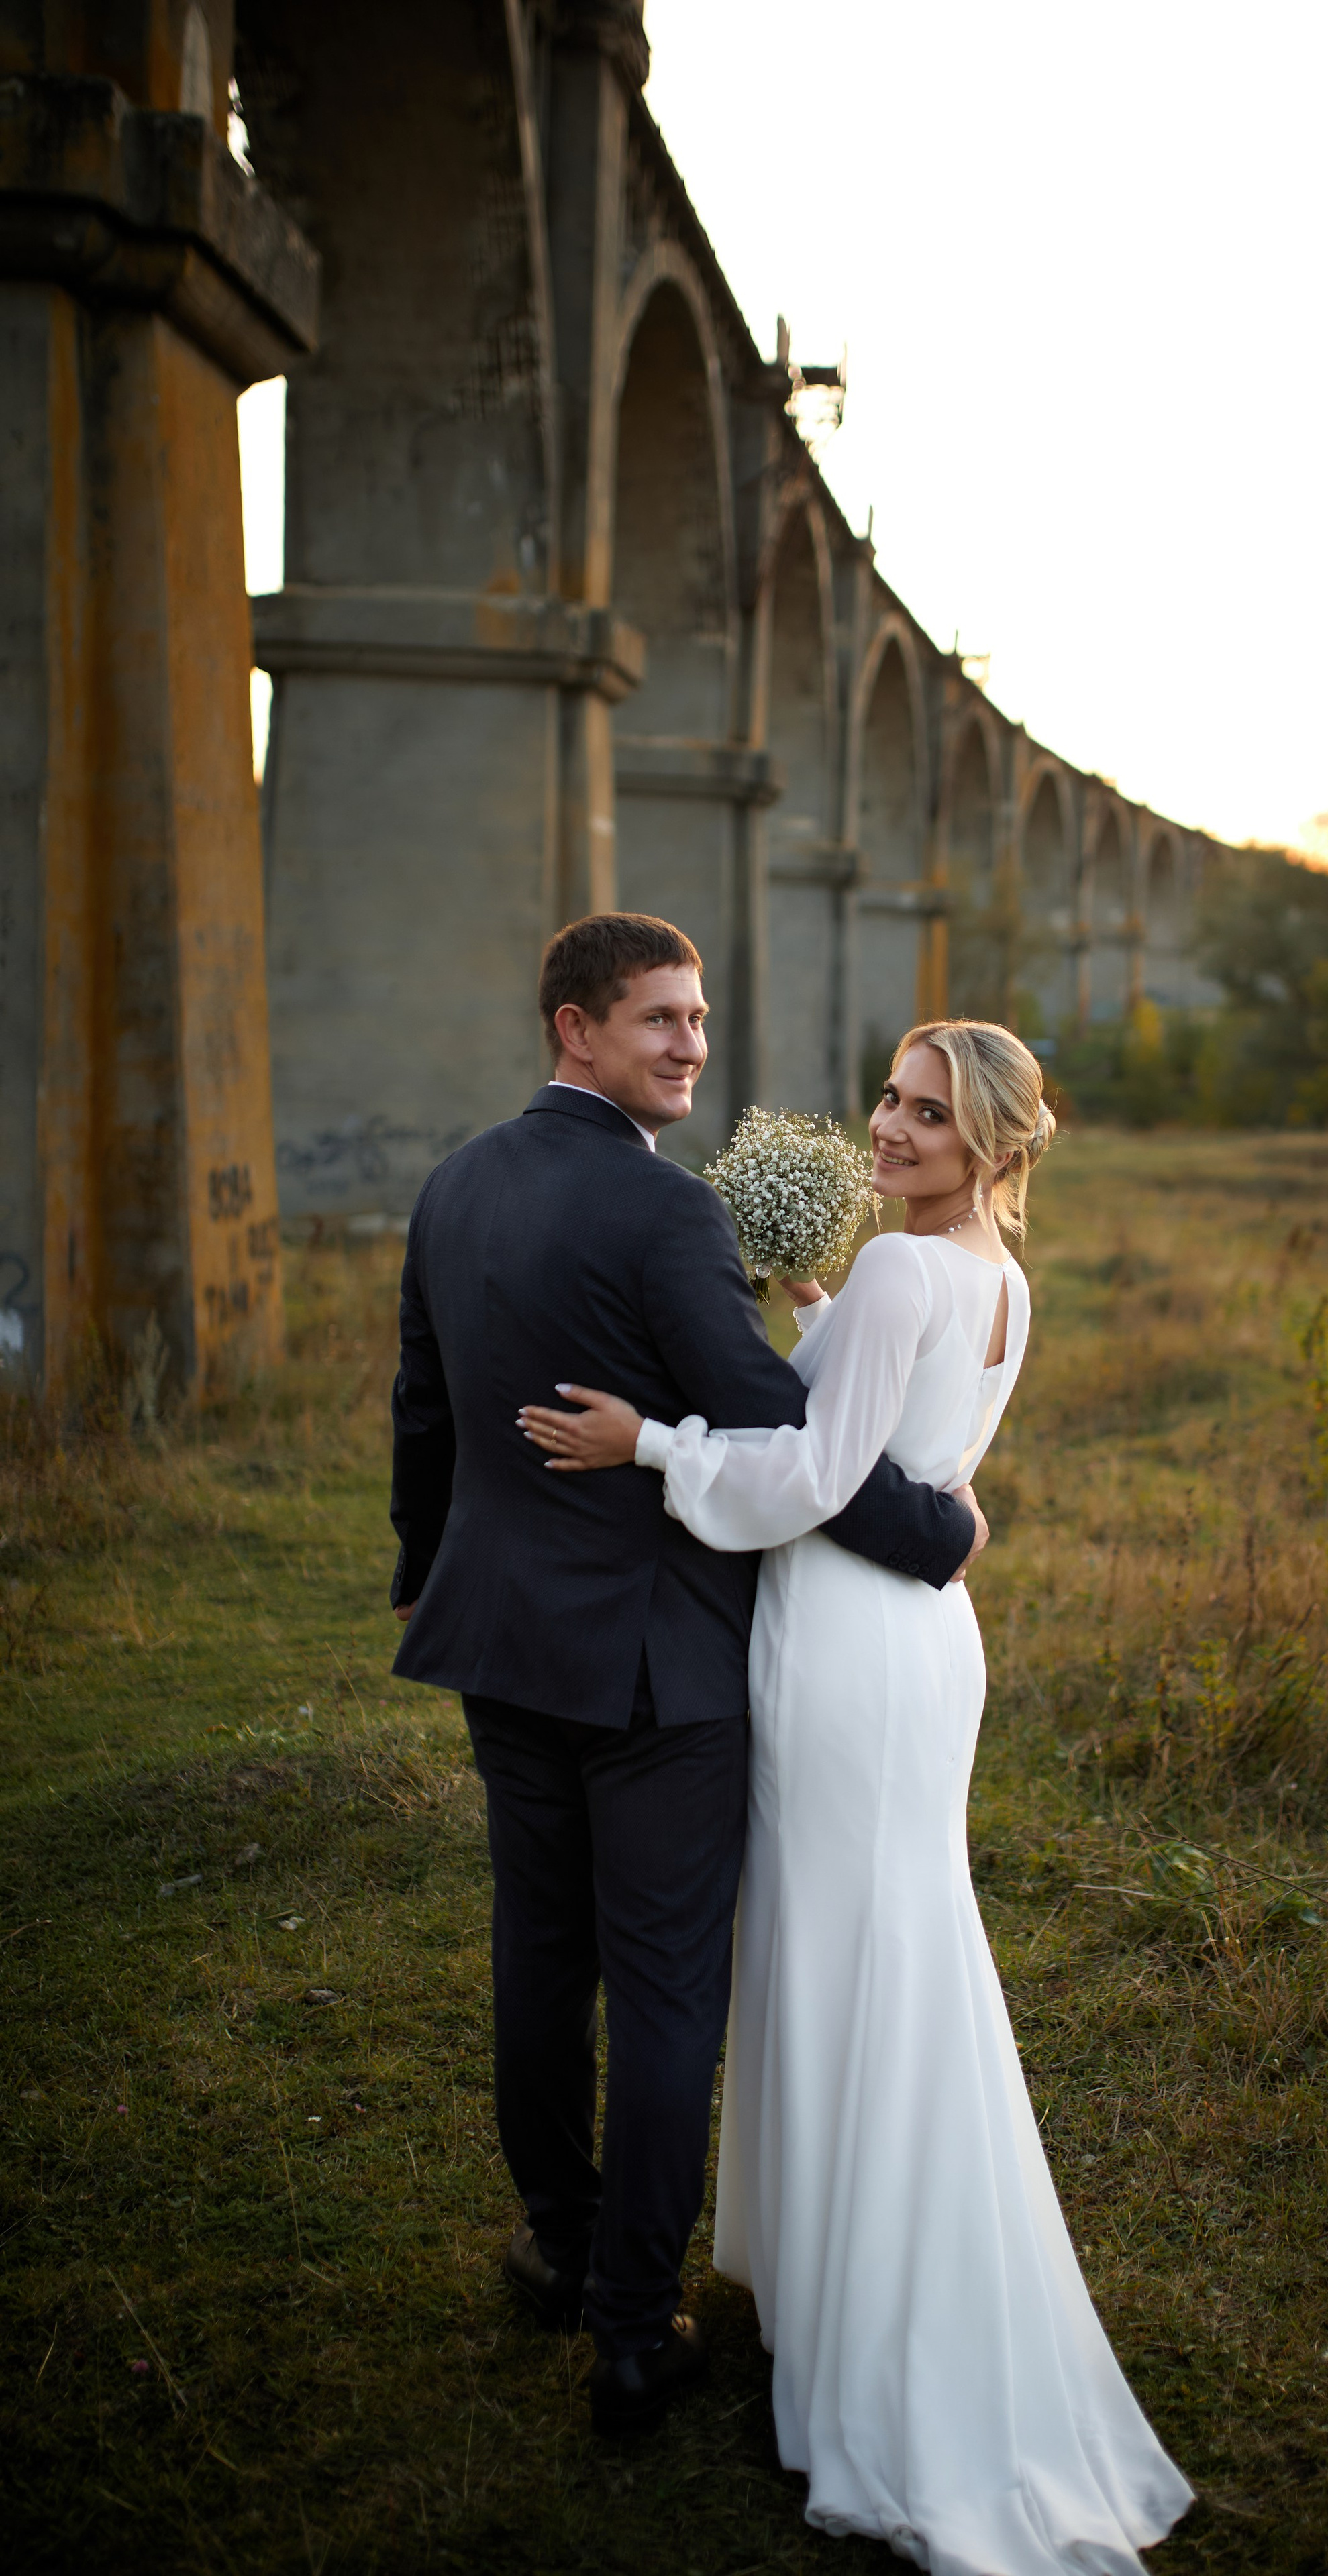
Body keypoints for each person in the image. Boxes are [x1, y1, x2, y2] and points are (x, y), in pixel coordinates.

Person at [519, 1018, 1194, 2573]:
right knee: (884, 1940)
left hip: (837, 1647)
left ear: (995, 1147)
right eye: (889, 1099)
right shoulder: (993, 1282)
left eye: (928, 1117)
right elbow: (908, 1443)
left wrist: (649, 1447)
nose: (888, 1130)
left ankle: (859, 2305)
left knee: (838, 1948)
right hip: (921, 1647)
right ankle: (846, 2270)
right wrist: (813, 1314)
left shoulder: (907, 1272)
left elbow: (816, 1482)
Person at [387, 913, 984, 2439]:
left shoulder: (452, 1188)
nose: (691, 1045)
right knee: (660, 1992)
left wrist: (437, 1584)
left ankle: (563, 2239)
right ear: (573, 1030)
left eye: (700, 1018)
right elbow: (787, 1443)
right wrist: (934, 1529)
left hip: (498, 1647)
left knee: (540, 1949)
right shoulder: (663, 1218)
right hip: (654, 1674)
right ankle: (632, 2322)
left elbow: (423, 1422)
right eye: (658, 1019)